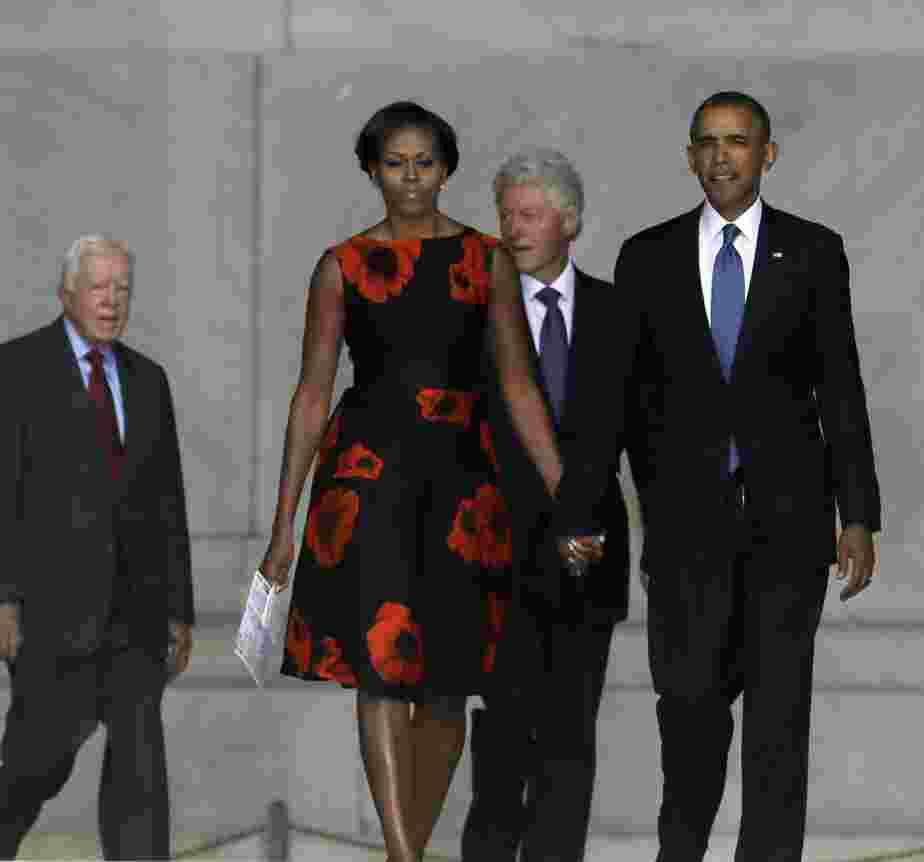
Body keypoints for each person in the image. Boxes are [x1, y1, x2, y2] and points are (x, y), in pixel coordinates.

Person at [257, 102, 566, 862]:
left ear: (447, 169)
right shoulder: (342, 265)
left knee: (450, 682)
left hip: (467, 486)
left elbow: (520, 386)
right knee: (383, 668)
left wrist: (569, 492)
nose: (411, 177)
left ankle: (410, 850)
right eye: (395, 163)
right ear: (371, 170)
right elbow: (311, 395)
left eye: (424, 162)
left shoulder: (485, 259)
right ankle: (403, 856)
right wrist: (283, 524)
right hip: (368, 483)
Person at [615, 91, 882, 860]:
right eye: (707, 142)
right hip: (684, 532)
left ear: (768, 155)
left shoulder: (813, 251)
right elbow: (622, 398)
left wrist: (857, 513)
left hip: (791, 526)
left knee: (777, 719)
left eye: (738, 141)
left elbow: (842, 389)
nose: (721, 156)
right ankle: (681, 850)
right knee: (690, 704)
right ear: (689, 154)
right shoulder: (647, 255)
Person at [461, 149, 635, 862]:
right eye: (505, 214)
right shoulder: (473, 320)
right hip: (497, 566)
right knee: (503, 746)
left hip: (588, 561)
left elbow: (638, 439)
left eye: (528, 214)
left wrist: (591, 529)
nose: (512, 228)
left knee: (570, 747)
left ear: (570, 221)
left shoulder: (621, 315)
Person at [0, 235, 194, 860]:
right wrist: (2, 598)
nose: (112, 301)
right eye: (99, 287)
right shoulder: (15, 370)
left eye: (123, 289)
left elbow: (168, 501)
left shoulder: (148, 381)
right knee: (35, 762)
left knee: (140, 758)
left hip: (134, 617)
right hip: (49, 613)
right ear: (67, 293)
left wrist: (179, 610)